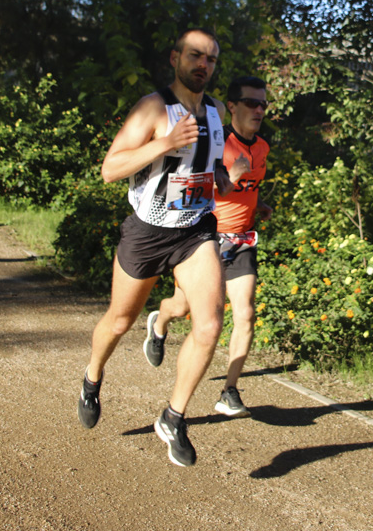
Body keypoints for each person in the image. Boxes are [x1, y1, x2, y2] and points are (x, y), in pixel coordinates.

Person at [76, 28, 234, 468]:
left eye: (212, 59)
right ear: (175, 58)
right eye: (196, 56)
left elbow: (209, 160)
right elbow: (110, 169)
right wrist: (164, 143)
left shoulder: (218, 111)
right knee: (120, 320)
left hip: (195, 231)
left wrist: (218, 175)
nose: (204, 64)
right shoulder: (153, 107)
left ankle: (173, 416)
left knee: (209, 324)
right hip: (147, 233)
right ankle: (92, 376)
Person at [143, 76, 272, 419]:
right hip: (205, 239)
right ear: (232, 106)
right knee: (183, 308)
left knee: (244, 313)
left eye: (264, 104)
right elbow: (193, 192)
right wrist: (234, 175)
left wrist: (257, 206)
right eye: (251, 103)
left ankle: (229, 391)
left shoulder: (262, 147)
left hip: (242, 239)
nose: (259, 110)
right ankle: (160, 322)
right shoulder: (216, 143)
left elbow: (250, 187)